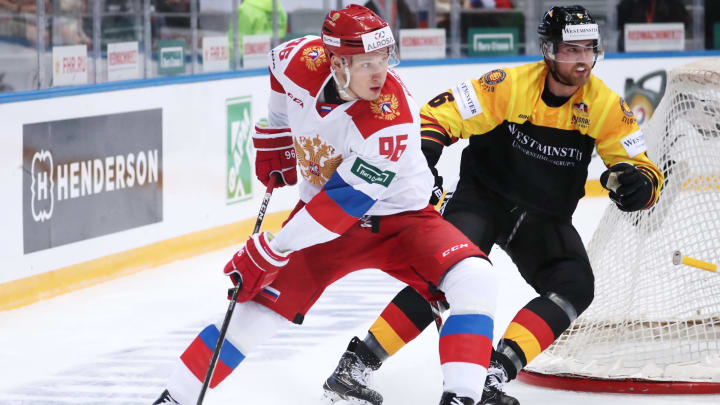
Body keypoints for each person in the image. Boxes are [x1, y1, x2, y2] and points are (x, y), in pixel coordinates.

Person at [152, 5, 499, 405]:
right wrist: (278, 128)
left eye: (384, 59)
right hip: (321, 223)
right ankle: (174, 398)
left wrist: (275, 249)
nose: (379, 73)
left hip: (400, 221)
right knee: (252, 313)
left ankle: (462, 397)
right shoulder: (298, 58)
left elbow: (340, 208)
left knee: (476, 278)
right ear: (335, 61)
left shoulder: (389, 120)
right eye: (366, 62)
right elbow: (276, 70)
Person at [322, 5, 664, 405]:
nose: (582, 61)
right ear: (549, 50)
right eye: (571, 50)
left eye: (589, 50)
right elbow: (438, 115)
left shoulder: (605, 106)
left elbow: (643, 169)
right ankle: (355, 364)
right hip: (481, 200)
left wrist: (639, 186)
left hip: (542, 217)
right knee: (444, 278)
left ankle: (491, 372)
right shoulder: (508, 85)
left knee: (575, 286)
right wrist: (425, 157)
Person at [616, 0, 691, 51]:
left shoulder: (671, 3)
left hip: (666, 51)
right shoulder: (630, 3)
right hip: (633, 52)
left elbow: (686, 22)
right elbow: (619, 24)